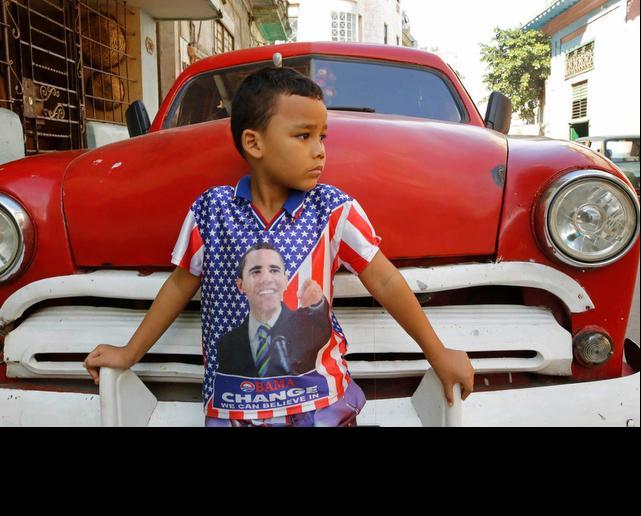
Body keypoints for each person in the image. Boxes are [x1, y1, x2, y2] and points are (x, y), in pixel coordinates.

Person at [83, 65, 474, 426]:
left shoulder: (334, 210)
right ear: (254, 143)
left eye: (322, 136)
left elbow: (385, 281)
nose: (319, 150)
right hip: (234, 408)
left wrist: (437, 353)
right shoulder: (212, 212)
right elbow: (179, 286)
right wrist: (129, 353)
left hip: (323, 406)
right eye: (303, 136)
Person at [216, 242, 331, 378]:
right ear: (241, 285)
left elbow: (321, 326)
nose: (266, 279)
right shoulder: (227, 343)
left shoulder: (306, 326)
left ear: (286, 281)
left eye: (274, 270)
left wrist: (317, 303)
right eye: (256, 271)